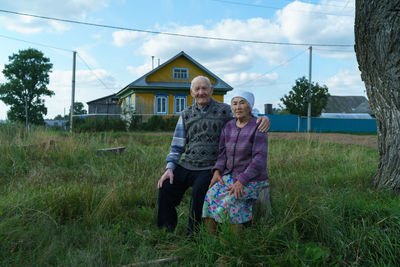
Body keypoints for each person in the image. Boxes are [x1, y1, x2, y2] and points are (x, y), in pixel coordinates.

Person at [157, 76, 270, 234]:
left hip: (210, 166)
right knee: (166, 186)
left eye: (204, 88)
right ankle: (165, 230)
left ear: (211, 90)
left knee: (200, 190)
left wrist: (263, 118)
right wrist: (169, 168)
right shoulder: (185, 114)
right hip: (187, 163)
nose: (201, 92)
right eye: (197, 89)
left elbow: (244, 111)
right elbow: (177, 145)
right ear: (192, 92)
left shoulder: (224, 110)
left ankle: (194, 234)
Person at [202, 90, 269, 235]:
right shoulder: (229, 126)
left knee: (231, 201)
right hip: (229, 176)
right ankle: (210, 241)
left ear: (250, 106)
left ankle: (232, 245)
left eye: (242, 103)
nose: (238, 107)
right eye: (234, 103)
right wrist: (217, 171)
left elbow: (259, 159)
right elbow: (222, 154)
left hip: (252, 178)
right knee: (210, 196)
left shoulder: (258, 126)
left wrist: (242, 180)